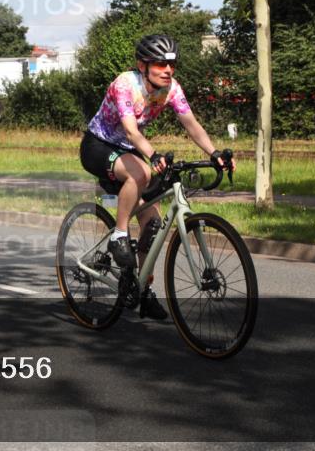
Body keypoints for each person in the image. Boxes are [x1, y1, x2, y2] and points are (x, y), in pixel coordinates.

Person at [79, 34, 235, 319]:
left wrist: (215, 153)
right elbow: (130, 131)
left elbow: (192, 125)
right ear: (142, 65)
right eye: (160, 64)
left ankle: (140, 287)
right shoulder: (125, 84)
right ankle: (119, 235)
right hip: (98, 146)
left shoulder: (172, 89)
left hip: (130, 149)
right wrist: (152, 155)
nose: (168, 70)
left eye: (171, 64)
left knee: (152, 224)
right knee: (142, 172)